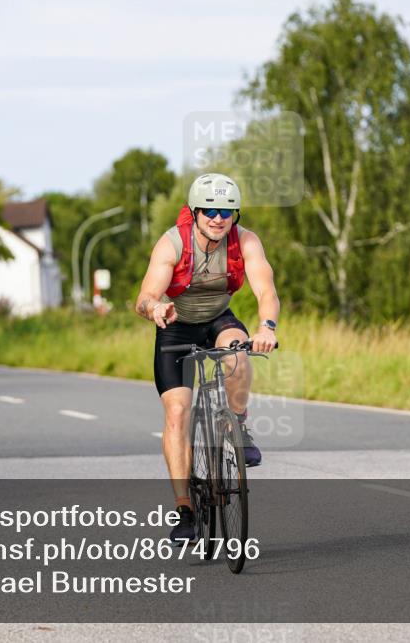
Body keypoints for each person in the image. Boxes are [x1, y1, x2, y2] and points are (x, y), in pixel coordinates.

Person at [135, 173, 279, 544]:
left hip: (218, 318)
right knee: (178, 413)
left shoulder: (245, 241)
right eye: (211, 210)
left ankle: (240, 426)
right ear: (196, 212)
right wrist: (155, 308)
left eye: (227, 211)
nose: (219, 218)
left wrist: (268, 327)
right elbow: (145, 296)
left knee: (238, 353)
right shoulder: (172, 244)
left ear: (236, 215)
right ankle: (184, 508)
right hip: (176, 324)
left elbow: (265, 288)